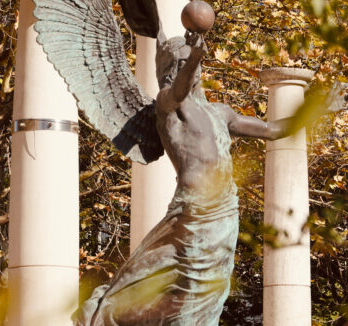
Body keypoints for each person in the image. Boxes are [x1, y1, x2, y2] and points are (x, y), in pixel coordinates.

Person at [74, 31, 290, 325]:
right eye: (180, 64)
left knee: (209, 292)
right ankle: (105, 314)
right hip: (192, 212)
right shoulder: (167, 105)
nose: (189, 68)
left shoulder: (221, 113)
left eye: (190, 63)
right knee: (182, 286)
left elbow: (272, 130)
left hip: (224, 212)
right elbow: (178, 92)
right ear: (168, 71)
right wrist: (195, 56)